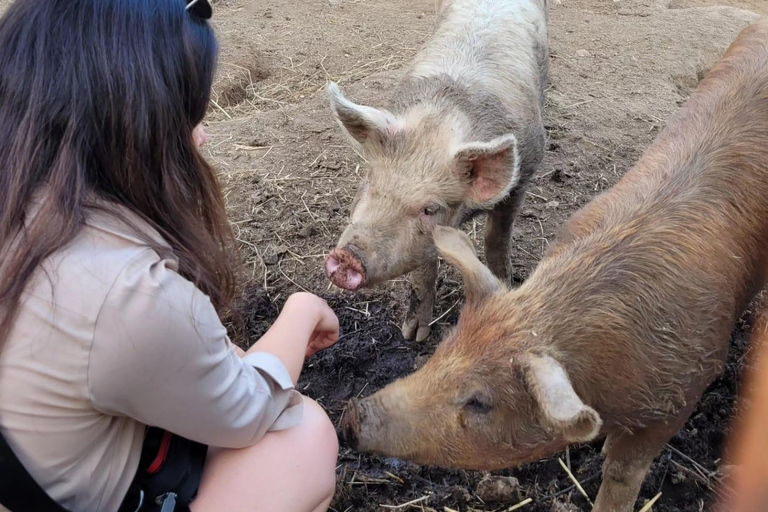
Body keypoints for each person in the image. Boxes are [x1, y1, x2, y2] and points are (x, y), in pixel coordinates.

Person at [0, 1, 340, 511]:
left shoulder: (24, 203)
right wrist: (303, 309)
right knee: (305, 435)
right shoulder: (125, 292)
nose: (202, 134)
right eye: (188, 115)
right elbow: (245, 410)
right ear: (134, 123)